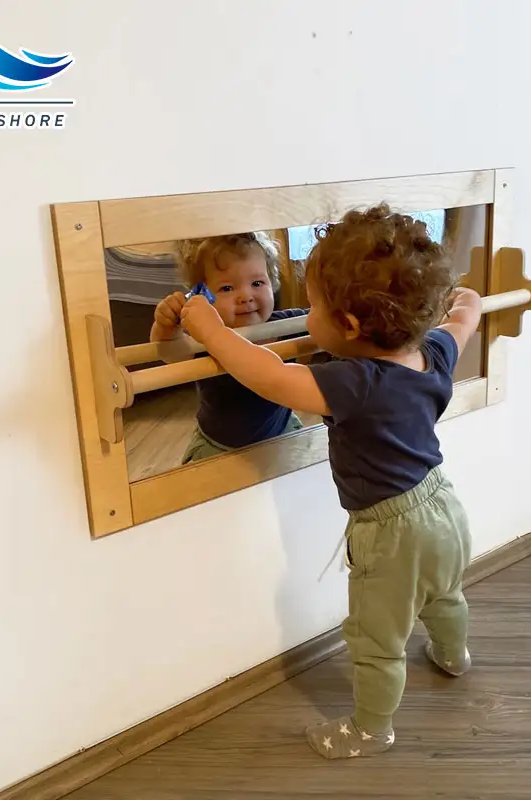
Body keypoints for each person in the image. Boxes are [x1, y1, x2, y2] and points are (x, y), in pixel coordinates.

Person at [179, 204, 482, 759]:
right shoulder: (432, 352)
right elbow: (463, 321)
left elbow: (267, 375)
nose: (306, 312)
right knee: (444, 594)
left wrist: (210, 330)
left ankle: (372, 727)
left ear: (345, 327)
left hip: (392, 533)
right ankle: (453, 655)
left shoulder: (353, 383)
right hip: (444, 505)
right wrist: (469, 298)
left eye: (313, 305)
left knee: (375, 638)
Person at [151, 232, 309, 463]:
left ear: (272, 282)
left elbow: (322, 324)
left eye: (257, 283)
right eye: (227, 288)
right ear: (201, 295)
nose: (246, 296)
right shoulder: (206, 335)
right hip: (220, 447)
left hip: (281, 432)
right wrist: (166, 328)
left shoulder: (285, 324)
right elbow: (169, 352)